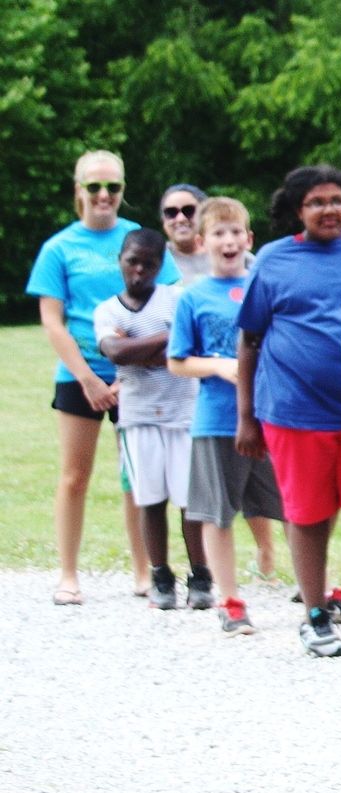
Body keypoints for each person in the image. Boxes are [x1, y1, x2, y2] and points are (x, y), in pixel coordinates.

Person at [235, 164, 341, 657]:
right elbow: (250, 339)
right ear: (298, 210)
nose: (329, 209)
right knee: (307, 515)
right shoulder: (274, 260)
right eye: (317, 202)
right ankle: (315, 614)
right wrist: (246, 414)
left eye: (337, 200)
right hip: (293, 412)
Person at [28, 149, 178, 606]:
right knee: (75, 476)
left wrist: (126, 374)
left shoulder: (140, 239)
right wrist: (88, 379)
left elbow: (170, 303)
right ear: (79, 191)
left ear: (122, 191)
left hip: (140, 378)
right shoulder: (59, 248)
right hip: (80, 375)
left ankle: (143, 570)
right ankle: (68, 575)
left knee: (136, 477)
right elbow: (53, 321)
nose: (103, 195)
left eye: (112, 186)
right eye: (94, 186)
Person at [168, 197, 283, 634]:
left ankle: (320, 590)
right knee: (218, 511)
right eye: (218, 233)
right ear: (202, 242)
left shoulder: (263, 287)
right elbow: (177, 361)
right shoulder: (192, 297)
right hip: (216, 417)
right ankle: (230, 599)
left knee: (293, 506)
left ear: (249, 239)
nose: (228, 240)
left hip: (270, 413)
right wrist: (218, 366)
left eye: (236, 232)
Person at [96, 228, 203, 611]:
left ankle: (200, 574)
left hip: (182, 412)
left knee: (189, 498)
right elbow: (114, 351)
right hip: (138, 416)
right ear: (120, 261)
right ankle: (160, 574)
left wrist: (136, 348)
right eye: (132, 262)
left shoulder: (177, 299)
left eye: (149, 264)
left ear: (161, 267)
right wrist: (164, 342)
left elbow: (186, 343)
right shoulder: (107, 310)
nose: (139, 271)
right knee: (150, 498)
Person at [159, 184, 211, 285]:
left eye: (189, 211)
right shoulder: (153, 259)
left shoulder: (229, 254)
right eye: (171, 212)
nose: (180, 219)